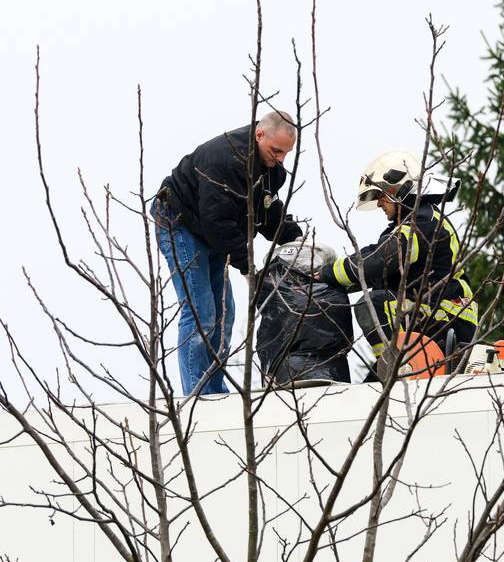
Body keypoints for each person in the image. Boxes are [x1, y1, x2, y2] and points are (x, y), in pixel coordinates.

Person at [151, 112, 302, 395]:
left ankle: (215, 389)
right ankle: (198, 396)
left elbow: (265, 213)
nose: (281, 158)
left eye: (286, 153)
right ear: (260, 135)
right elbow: (216, 221)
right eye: (277, 151)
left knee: (224, 314)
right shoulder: (225, 159)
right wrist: (248, 267)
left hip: (213, 232)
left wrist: (294, 237)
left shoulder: (271, 171)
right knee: (201, 312)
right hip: (180, 220)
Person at [315, 150, 478, 377]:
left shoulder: (425, 221)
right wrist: (320, 283)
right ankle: (393, 363)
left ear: (398, 191)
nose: (380, 203)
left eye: (381, 195)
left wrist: (326, 273)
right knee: (371, 388)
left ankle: (399, 366)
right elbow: (372, 271)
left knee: (373, 303)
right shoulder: (409, 223)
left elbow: (382, 258)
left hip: (447, 318)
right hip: (429, 319)